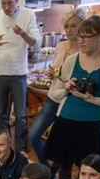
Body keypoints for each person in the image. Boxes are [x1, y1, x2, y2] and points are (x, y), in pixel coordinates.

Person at [45, 16, 100, 179]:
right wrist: (66, 88)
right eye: (80, 36)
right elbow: (56, 94)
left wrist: (92, 99)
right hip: (66, 120)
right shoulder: (72, 60)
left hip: (91, 125)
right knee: (64, 166)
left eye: (86, 36)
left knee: (88, 170)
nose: (80, 40)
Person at [0, 0, 40, 151]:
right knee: (2, 115)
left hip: (18, 73)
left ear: (17, 0)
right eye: (3, 3)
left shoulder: (28, 14)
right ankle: (5, 148)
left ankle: (20, 150)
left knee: (21, 116)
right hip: (0, 72)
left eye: (10, 2)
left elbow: (34, 42)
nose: (7, 7)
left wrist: (22, 33)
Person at [28, 9, 87, 163]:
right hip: (53, 98)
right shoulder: (60, 46)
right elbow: (56, 70)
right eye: (66, 26)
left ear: (83, 26)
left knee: (62, 145)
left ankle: (56, 170)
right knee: (33, 136)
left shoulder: (85, 50)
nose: (69, 30)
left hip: (70, 102)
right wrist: (51, 73)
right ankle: (46, 168)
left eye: (73, 26)